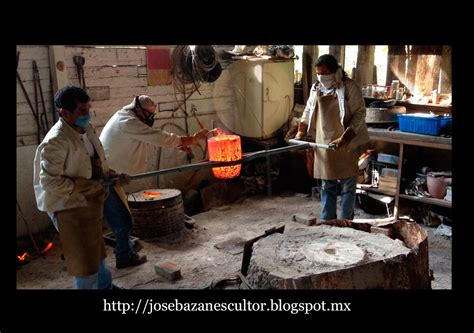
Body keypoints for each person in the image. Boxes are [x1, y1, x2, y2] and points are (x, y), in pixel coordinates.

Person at [99, 95, 207, 268]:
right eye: (148, 114)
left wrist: (179, 144)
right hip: (106, 177)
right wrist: (192, 139)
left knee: (118, 217)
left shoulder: (128, 117)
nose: (150, 118)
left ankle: (123, 251)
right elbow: (158, 137)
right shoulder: (127, 121)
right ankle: (124, 257)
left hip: (112, 174)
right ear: (138, 109)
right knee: (121, 219)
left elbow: (151, 138)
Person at [33, 85, 119, 289]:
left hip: (87, 201)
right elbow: (49, 182)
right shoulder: (56, 141)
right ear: (64, 112)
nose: (87, 114)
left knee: (96, 247)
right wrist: (83, 186)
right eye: (82, 110)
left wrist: (111, 175)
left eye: (88, 108)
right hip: (66, 207)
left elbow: (92, 160)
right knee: (83, 260)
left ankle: (105, 287)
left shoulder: (86, 129)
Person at [291, 54, 369, 222]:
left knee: (348, 185)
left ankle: (346, 221)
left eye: (324, 72)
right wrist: (301, 130)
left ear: (334, 71)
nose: (320, 76)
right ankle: (328, 220)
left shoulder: (349, 87)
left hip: (347, 143)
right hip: (324, 142)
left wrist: (346, 137)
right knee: (327, 184)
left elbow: (360, 113)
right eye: (318, 73)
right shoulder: (316, 88)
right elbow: (308, 111)